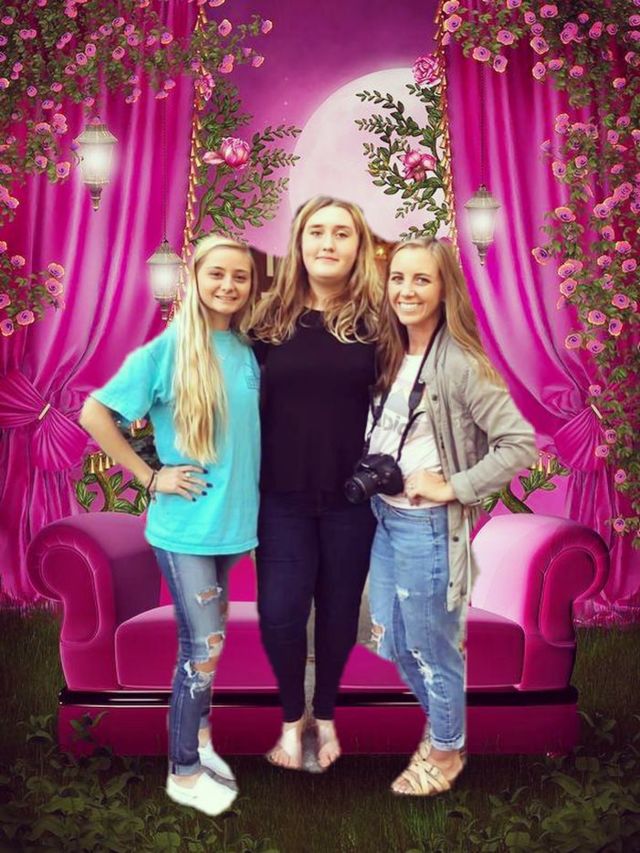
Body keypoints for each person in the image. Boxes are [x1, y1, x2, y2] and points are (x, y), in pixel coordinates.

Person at [79, 235, 260, 816]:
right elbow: (94, 413)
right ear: (195, 279)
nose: (228, 285)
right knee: (201, 648)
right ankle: (183, 772)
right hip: (185, 531)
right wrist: (150, 476)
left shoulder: (246, 349)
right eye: (217, 274)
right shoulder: (166, 351)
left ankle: (200, 743)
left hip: (232, 529)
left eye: (239, 276)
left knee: (210, 641)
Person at [365, 237, 537, 796]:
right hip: (384, 516)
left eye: (422, 279)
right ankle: (446, 726)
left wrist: (451, 487)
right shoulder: (388, 352)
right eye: (398, 278)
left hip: (426, 526)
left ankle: (445, 751)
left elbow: (517, 445)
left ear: (444, 291)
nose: (406, 291)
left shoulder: (462, 364)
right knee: (392, 640)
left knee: (428, 647)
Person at [249, 196, 381, 770]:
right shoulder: (265, 321)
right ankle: (290, 719)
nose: (328, 243)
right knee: (280, 611)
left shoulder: (379, 324)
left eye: (341, 234)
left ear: (358, 247)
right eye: (317, 232)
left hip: (352, 499)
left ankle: (323, 716)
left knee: (338, 611)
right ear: (299, 242)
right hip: (281, 497)